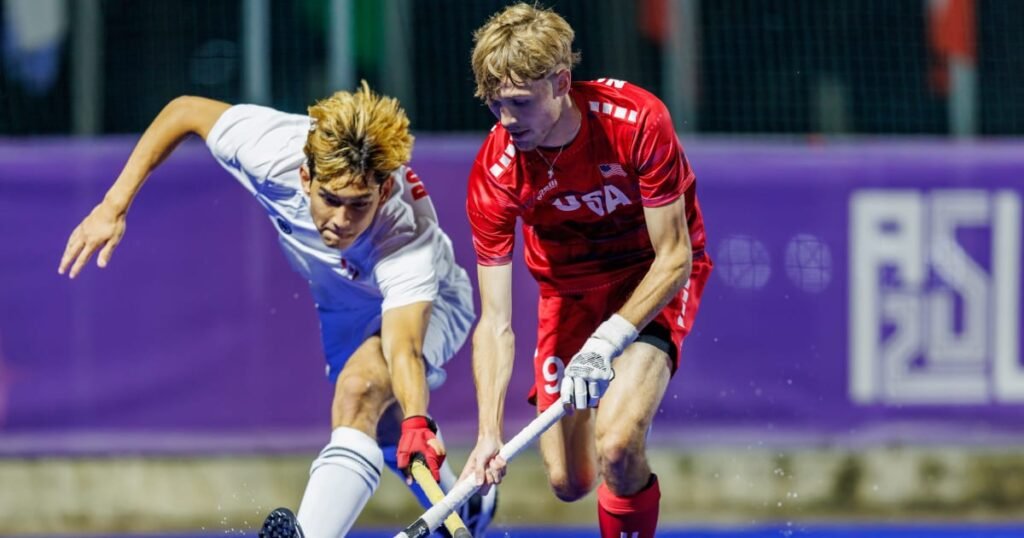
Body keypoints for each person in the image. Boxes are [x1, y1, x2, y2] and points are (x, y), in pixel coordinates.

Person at [58, 82, 496, 538]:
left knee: (360, 390)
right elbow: (183, 111)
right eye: (330, 199)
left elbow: (403, 346)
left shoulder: (406, 237)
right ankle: (471, 505)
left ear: (384, 191)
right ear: (306, 178)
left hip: (434, 303)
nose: (342, 221)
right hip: (344, 309)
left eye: (359, 205)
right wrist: (114, 205)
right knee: (380, 427)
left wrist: (418, 420)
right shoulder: (272, 150)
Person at [461, 4, 712, 538]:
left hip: (649, 278)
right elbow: (495, 322)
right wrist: (487, 434)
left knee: (617, 446)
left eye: (520, 103)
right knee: (569, 479)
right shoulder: (495, 174)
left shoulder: (637, 121)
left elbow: (675, 257)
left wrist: (609, 340)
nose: (506, 121)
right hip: (568, 292)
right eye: (495, 104)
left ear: (561, 82)